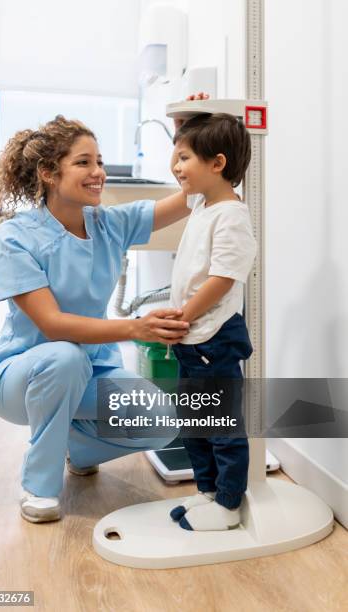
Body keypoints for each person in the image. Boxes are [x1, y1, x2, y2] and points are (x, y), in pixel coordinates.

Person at [0, 112, 194, 523]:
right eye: (83, 163)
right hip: (20, 378)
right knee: (65, 356)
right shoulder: (16, 237)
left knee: (164, 422)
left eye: (100, 162)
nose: (98, 173)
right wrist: (136, 327)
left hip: (92, 373)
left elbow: (190, 196)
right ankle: (40, 488)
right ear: (47, 172)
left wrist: (191, 129)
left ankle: (74, 447)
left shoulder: (110, 224)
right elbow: (53, 325)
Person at [168, 111, 257, 531]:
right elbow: (188, 144)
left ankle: (227, 504)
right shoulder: (202, 204)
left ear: (217, 163)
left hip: (213, 339)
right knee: (194, 424)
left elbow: (222, 279)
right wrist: (186, 119)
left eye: (184, 158)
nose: (176, 166)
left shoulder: (231, 216)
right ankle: (207, 491)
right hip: (191, 339)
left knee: (221, 426)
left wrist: (182, 317)